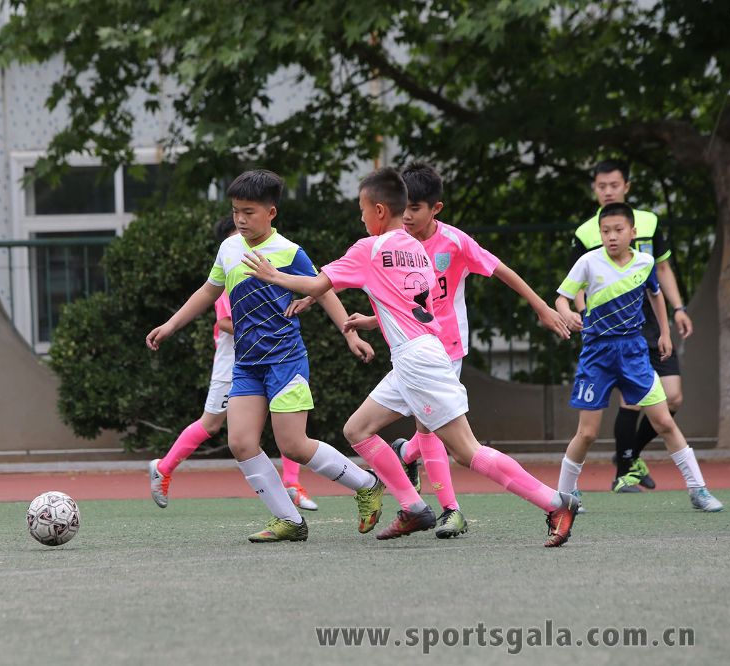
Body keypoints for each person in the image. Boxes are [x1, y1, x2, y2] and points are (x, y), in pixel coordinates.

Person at [243, 167, 582, 547]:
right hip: (418, 354)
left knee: (466, 450)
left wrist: (274, 276)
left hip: (418, 361)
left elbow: (316, 283)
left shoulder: (369, 248)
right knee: (357, 429)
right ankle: (413, 506)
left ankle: (555, 503)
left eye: (362, 209)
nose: (360, 216)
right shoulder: (416, 249)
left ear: (379, 210)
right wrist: (374, 321)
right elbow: (415, 307)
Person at [146, 169, 384, 543]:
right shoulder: (229, 249)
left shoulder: (289, 251)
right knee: (241, 443)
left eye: (249, 212)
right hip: (246, 364)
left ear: (271, 212)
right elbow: (208, 291)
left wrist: (349, 333)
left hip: (285, 360)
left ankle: (368, 484)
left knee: (293, 445)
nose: (240, 219)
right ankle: (289, 520)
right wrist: (171, 325)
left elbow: (323, 290)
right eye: (235, 211)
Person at [554, 202, 723, 512]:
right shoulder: (588, 262)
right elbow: (561, 299)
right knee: (587, 433)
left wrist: (664, 333)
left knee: (664, 421)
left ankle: (698, 490)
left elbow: (655, 295)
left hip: (634, 353)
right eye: (605, 231)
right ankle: (564, 496)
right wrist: (567, 313)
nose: (612, 236)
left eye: (618, 230)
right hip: (597, 355)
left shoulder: (645, 262)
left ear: (632, 232)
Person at [149, 216, 318, 512]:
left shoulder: (270, 267)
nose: (244, 237)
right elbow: (224, 321)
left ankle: (292, 484)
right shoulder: (230, 278)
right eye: (237, 233)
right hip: (233, 364)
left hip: (267, 357)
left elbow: (320, 286)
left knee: (285, 417)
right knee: (211, 423)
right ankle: (163, 468)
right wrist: (261, 326)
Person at [571, 160, 694, 492]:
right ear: (594, 189)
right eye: (601, 186)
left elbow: (662, 270)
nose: (608, 191)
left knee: (673, 397)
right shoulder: (586, 232)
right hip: (614, 328)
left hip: (652, 324)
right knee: (631, 400)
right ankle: (624, 472)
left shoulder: (649, 222)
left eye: (614, 185)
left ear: (626, 186)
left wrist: (678, 309)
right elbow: (577, 283)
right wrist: (585, 314)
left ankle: (630, 455)